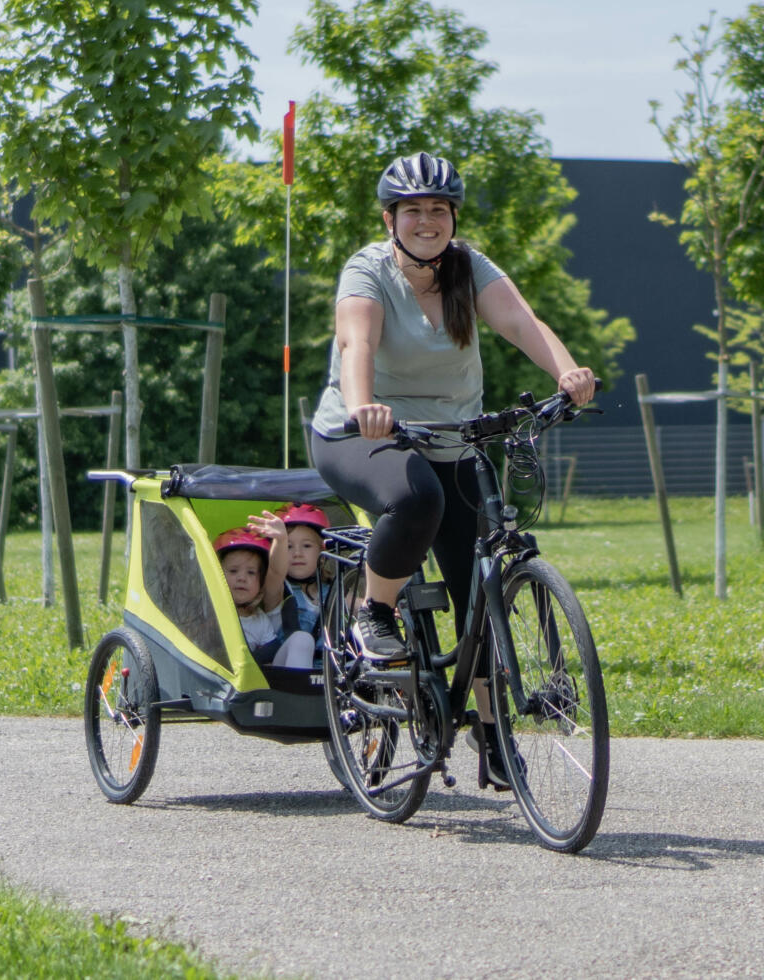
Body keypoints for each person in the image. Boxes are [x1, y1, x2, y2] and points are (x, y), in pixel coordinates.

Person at [308, 151, 597, 790]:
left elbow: (520, 320)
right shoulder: (367, 271)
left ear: (452, 217)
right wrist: (363, 408)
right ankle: (375, 614)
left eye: (438, 209)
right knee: (416, 499)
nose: (427, 220)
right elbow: (356, 342)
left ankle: (494, 741)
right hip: (360, 433)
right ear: (391, 219)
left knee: (480, 586)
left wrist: (568, 372)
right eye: (413, 210)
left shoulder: (470, 268)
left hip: (454, 436)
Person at [213, 513, 315, 670]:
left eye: (251, 573)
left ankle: (298, 693)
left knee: (303, 639)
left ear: (261, 583)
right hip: (218, 679)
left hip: (261, 682)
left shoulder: (260, 618)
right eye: (233, 571)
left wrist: (281, 540)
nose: (242, 578)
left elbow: (275, 572)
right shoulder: (209, 613)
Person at [276, 503, 330, 644]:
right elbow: (274, 572)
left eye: (306, 546)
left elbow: (360, 607)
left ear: (322, 553)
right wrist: (278, 540)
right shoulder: (278, 590)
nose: (297, 554)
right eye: (288, 546)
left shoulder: (332, 589)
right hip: (289, 663)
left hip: (328, 663)